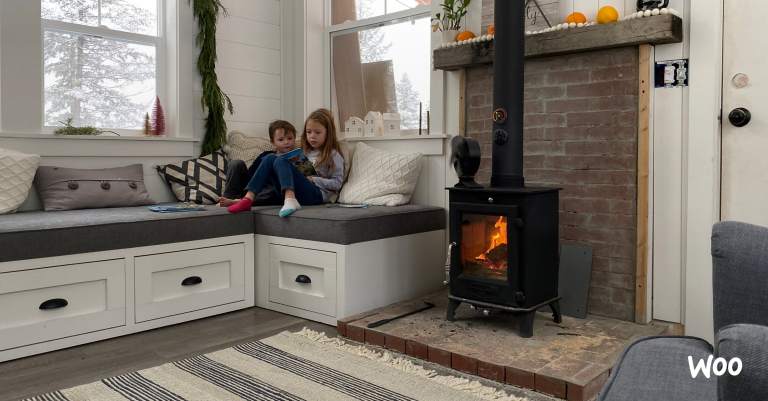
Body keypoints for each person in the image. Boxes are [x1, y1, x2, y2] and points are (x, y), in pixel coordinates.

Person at [227, 108, 344, 217]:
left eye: (317, 133)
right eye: (309, 132)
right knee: (270, 157)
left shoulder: (333, 155)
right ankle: (248, 199)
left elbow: (337, 183)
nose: (312, 136)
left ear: (328, 133)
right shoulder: (304, 152)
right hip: (301, 189)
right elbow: (302, 174)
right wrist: (295, 166)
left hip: (317, 194)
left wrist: (314, 179)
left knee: (280, 159)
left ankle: (290, 199)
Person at [219, 120, 297, 207]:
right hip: (252, 190)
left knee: (272, 190)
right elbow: (251, 176)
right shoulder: (266, 155)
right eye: (281, 139)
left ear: (294, 138)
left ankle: (239, 202)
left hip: (272, 192)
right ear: (273, 142)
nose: (286, 142)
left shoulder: (298, 158)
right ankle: (228, 198)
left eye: (290, 138)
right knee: (236, 164)